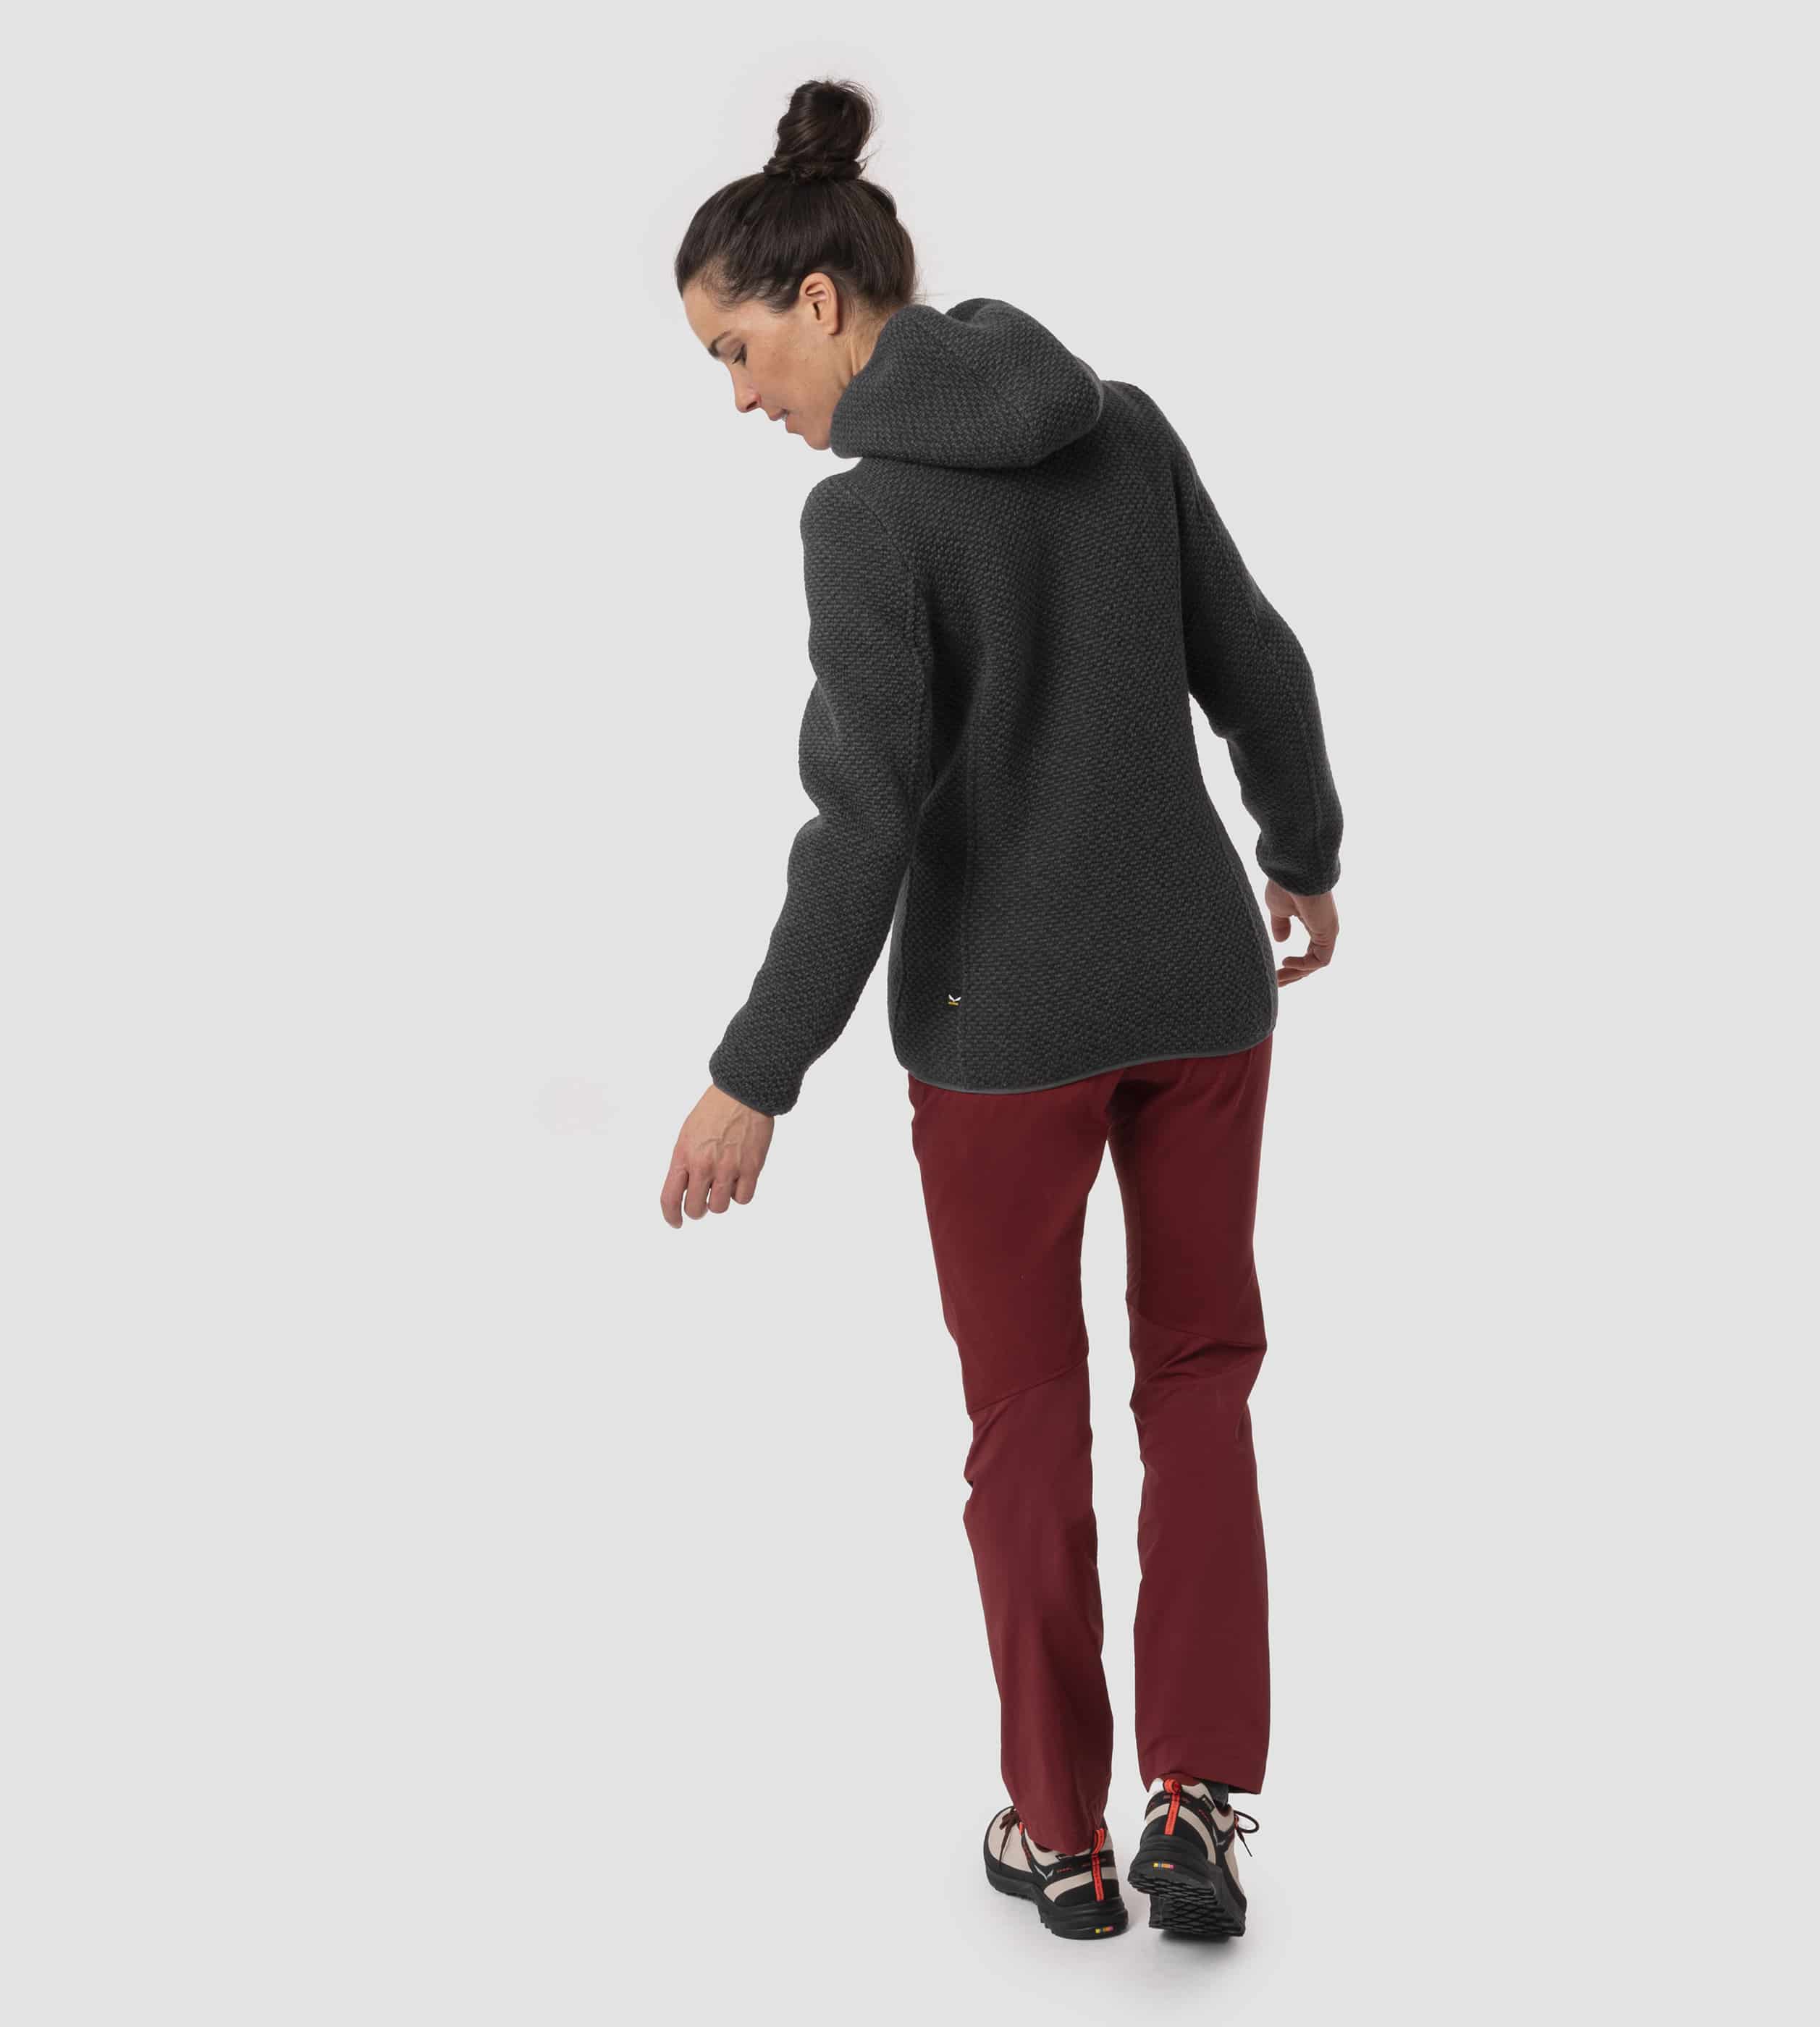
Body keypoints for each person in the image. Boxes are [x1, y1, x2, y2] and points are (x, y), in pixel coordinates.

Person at [660, 78, 1342, 1944]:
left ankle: (1062, 1832)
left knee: (1025, 1416)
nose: (740, 398)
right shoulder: (1123, 427)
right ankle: (1199, 1798)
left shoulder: (868, 523)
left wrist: (754, 1073)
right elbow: (1258, 659)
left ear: (820, 302)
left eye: (735, 351)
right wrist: (1302, 849)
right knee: (1201, 1379)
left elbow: (862, 821)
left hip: (997, 1030)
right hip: (1202, 990)